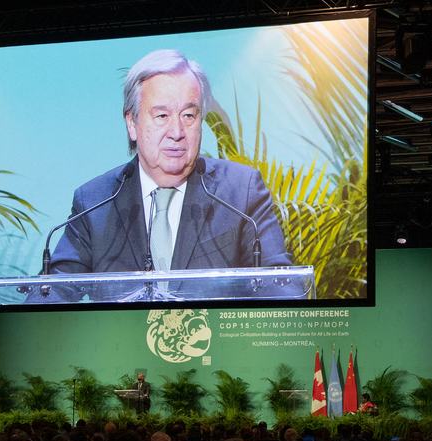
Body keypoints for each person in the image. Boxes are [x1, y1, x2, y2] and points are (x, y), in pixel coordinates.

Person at [43, 49, 291, 288]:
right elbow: (52, 292)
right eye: (162, 116)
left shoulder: (240, 192)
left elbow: (281, 286)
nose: (177, 133)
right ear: (132, 123)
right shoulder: (95, 203)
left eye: (188, 116)